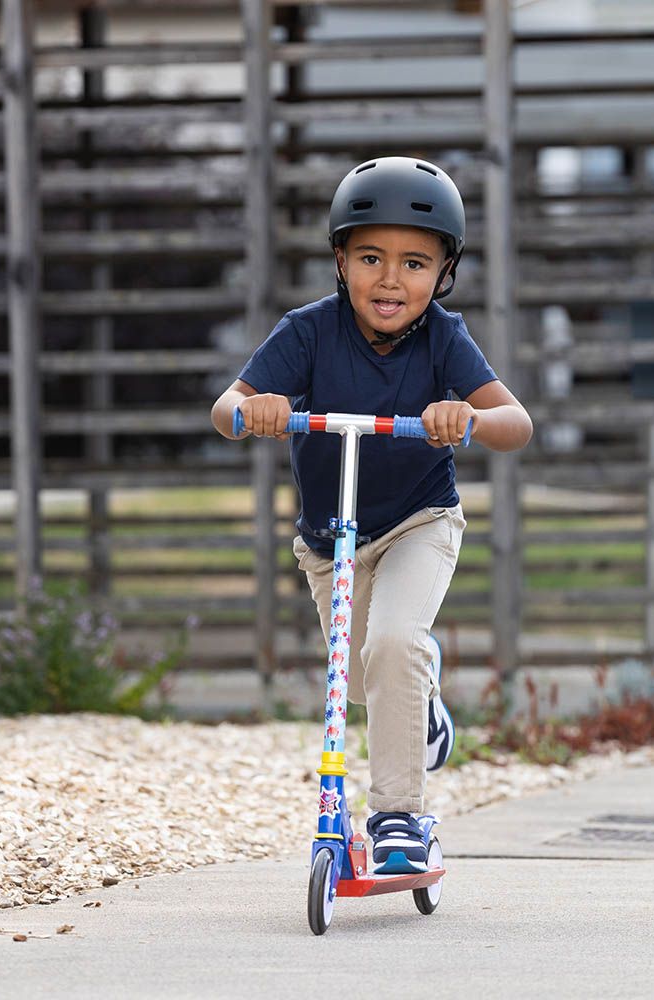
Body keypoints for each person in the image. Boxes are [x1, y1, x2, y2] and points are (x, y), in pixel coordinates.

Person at [211, 156, 532, 873]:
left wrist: (467, 420)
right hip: (331, 539)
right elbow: (225, 407)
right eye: (370, 258)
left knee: (392, 643)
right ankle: (424, 708)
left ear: (444, 272)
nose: (391, 279)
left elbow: (518, 422)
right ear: (340, 260)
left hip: (419, 520)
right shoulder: (308, 332)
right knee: (358, 681)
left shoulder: (444, 337)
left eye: (415, 262)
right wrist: (254, 410)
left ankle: (398, 818)